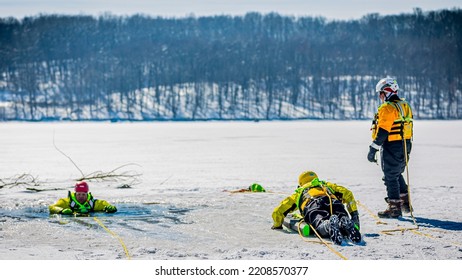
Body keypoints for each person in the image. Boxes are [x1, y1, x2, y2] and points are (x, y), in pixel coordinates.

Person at [271, 171, 361, 245]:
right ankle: (343, 220)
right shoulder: (326, 185)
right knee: (340, 216)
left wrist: (277, 225)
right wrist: (354, 215)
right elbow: (348, 194)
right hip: (333, 200)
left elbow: (278, 211)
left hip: (313, 205)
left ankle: (328, 225)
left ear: (301, 183)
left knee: (320, 225)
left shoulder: (300, 191)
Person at [367, 77, 413, 218]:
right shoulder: (404, 105)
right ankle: (405, 204)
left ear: (387, 91)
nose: (380, 96)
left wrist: (373, 149)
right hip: (405, 144)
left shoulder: (387, 108)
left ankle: (394, 208)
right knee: (396, 173)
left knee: (390, 176)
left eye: (380, 93)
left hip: (392, 146)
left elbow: (383, 132)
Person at [49, 181, 117, 215]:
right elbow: (52, 207)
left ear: (87, 194)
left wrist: (111, 208)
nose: (81, 196)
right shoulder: (66, 202)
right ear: (75, 193)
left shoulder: (93, 203)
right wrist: (61, 211)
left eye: (83, 194)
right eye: (79, 194)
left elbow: (105, 205)